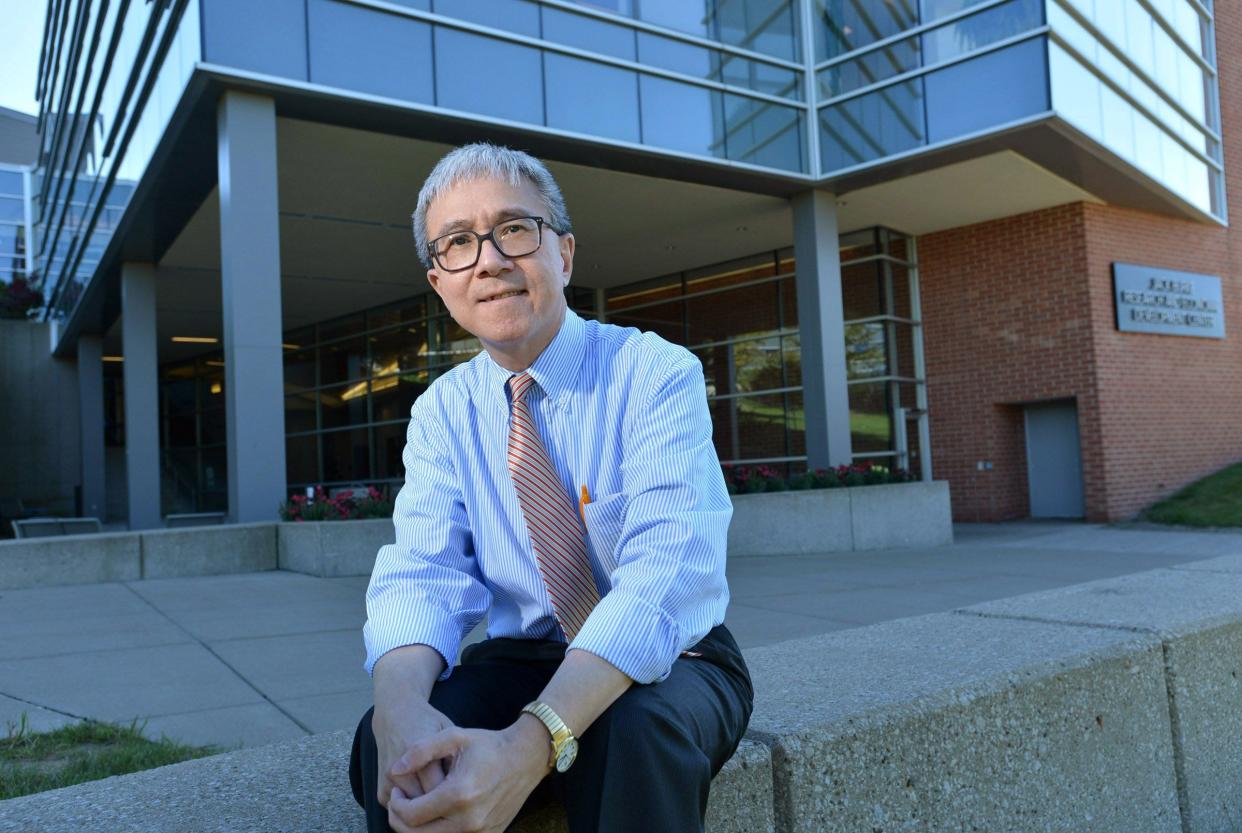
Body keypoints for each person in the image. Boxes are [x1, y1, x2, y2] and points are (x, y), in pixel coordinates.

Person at [349, 143, 752, 833]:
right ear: (440, 282)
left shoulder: (655, 372)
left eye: (513, 228)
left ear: (563, 253)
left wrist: (530, 744)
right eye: (457, 243)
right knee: (389, 750)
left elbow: (665, 577)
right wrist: (400, 709)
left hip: (674, 656)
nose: (489, 258)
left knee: (632, 735)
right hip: (521, 655)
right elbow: (424, 576)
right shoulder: (442, 411)